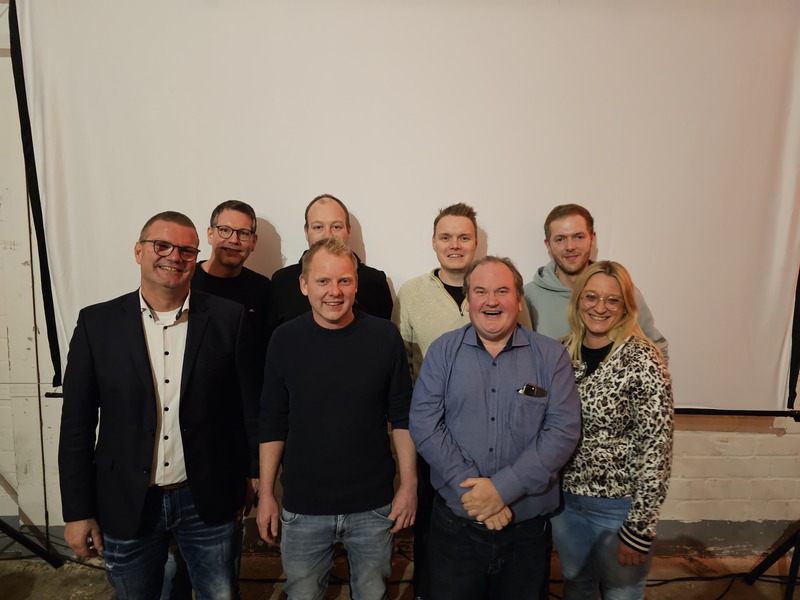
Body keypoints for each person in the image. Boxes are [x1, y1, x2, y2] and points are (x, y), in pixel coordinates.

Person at [58, 211, 259, 599]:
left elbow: (246, 407)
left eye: (186, 250)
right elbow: (76, 426)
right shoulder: (97, 324)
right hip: (127, 500)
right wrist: (78, 511)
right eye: (162, 246)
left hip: (207, 499)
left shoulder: (228, 318)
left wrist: (253, 474)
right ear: (139, 251)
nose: (174, 257)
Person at [409, 256, 581, 600]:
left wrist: (502, 490)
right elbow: (425, 423)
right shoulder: (442, 351)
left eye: (502, 291)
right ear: (468, 300)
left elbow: (562, 432)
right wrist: (476, 492)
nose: (491, 301)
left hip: (526, 530)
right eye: (480, 291)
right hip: (456, 529)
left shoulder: (552, 356)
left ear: (518, 299)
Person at [257, 237, 417, 599]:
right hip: (303, 507)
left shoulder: (384, 336)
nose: (334, 291)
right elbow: (272, 420)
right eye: (323, 281)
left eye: (344, 280)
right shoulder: (284, 339)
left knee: (372, 594)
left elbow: (402, 416)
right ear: (304, 285)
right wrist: (266, 493)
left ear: (356, 284)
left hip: (373, 506)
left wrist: (408, 485)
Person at [391, 203, 532, 599]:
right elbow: (401, 365)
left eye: (464, 237)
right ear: (434, 242)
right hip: (433, 435)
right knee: (433, 527)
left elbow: (522, 359)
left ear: (475, 243)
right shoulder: (411, 293)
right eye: (446, 237)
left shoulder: (502, 292)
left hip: (496, 436)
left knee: (495, 520)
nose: (455, 244)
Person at [160, 200, 270, 600]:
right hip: (173, 444)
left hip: (228, 448)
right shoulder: (183, 279)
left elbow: (256, 379)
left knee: (221, 571)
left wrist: (253, 466)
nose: (233, 240)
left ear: (253, 241)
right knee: (169, 573)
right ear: (209, 234)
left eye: (243, 233)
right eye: (225, 230)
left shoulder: (262, 290)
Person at [551, 260, 673, 599]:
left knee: (622, 592)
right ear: (578, 301)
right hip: (566, 502)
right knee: (577, 586)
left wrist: (639, 528)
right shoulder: (560, 353)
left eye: (612, 300)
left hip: (618, 508)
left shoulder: (643, 360)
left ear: (625, 307)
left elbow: (657, 449)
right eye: (591, 297)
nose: (600, 307)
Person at [523, 203, 669, 359]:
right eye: (560, 239)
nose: (570, 246)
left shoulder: (619, 287)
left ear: (592, 239)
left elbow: (656, 349)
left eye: (579, 237)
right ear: (548, 245)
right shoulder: (529, 296)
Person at [270, 193, 393, 325]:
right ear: (306, 231)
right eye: (318, 227)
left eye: (336, 227)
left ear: (348, 231)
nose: (327, 235)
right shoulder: (282, 281)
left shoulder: (375, 281)